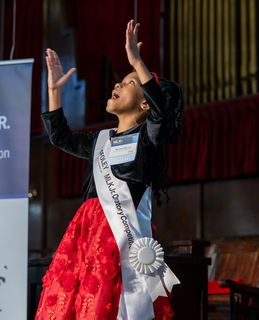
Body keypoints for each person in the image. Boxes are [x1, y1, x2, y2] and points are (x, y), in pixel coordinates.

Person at [36, 20, 184, 320]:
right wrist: (53, 92)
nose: (118, 84)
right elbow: (60, 137)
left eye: (130, 83)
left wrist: (137, 62)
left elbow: (161, 112)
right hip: (87, 231)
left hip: (119, 236)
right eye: (123, 80)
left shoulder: (149, 138)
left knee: (109, 298)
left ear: (145, 105)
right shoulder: (99, 140)